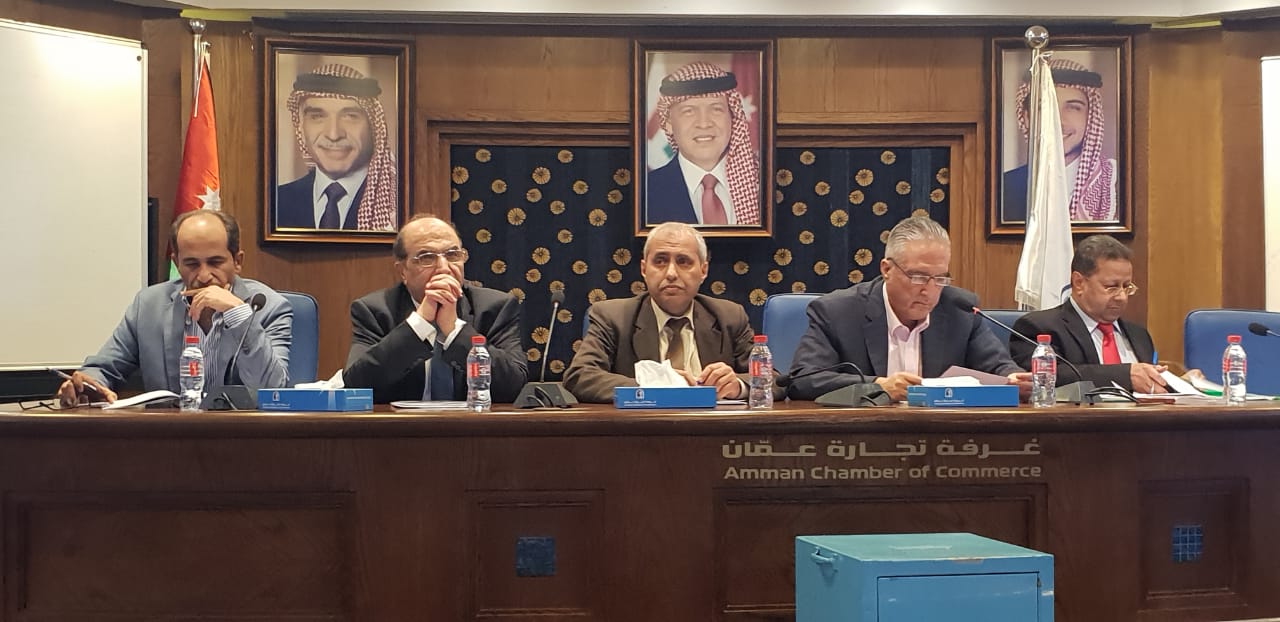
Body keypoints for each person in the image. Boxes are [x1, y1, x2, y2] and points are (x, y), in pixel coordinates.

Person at [57, 210, 293, 406]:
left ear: (237, 261)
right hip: (169, 437)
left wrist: (239, 315)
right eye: (191, 264)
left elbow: (273, 390)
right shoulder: (149, 306)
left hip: (242, 439)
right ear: (176, 264)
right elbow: (104, 368)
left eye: (215, 262)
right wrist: (86, 385)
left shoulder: (268, 307)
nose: (204, 276)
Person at [787, 216, 1029, 402]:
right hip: (862, 436)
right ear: (886, 269)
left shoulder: (960, 310)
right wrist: (878, 386)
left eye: (940, 278)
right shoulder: (838, 312)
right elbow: (803, 380)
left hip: (943, 435)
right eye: (918, 276)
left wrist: (1012, 378)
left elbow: (997, 366)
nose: (929, 290)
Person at [564, 222, 778, 403]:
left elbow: (775, 380)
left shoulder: (729, 316)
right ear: (644, 269)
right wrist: (656, 385)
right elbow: (580, 376)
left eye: (683, 261)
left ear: (703, 270)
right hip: (639, 431)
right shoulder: (613, 317)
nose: (671, 273)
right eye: (660, 261)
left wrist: (738, 385)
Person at [344, 215, 526, 403]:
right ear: (402, 271)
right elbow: (357, 385)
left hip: (472, 421)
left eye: (452, 255)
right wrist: (420, 324)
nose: (444, 268)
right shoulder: (375, 310)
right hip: (402, 421)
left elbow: (513, 387)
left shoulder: (494, 308)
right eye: (427, 258)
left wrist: (454, 330)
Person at [1010, 235, 1165, 392]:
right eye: (1111, 286)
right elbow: (1050, 376)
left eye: (1126, 287)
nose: (1122, 297)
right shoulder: (1039, 328)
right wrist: (1125, 376)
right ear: (1079, 283)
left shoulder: (1139, 335)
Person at [276, 63, 398, 231]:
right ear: (301, 127)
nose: (333, 134)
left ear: (374, 127)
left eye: (350, 116)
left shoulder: (397, 206)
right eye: (317, 116)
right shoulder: (276, 202)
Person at [1003, 58, 1118, 223]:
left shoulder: (1115, 186)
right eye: (1045, 107)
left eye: (1073, 108)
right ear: (1027, 118)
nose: (1059, 121)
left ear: (1091, 117)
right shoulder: (1004, 188)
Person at [646, 61, 760, 226]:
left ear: (733, 117)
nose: (704, 123)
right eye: (689, 111)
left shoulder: (764, 185)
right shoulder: (645, 192)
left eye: (716, 109)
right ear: (668, 123)